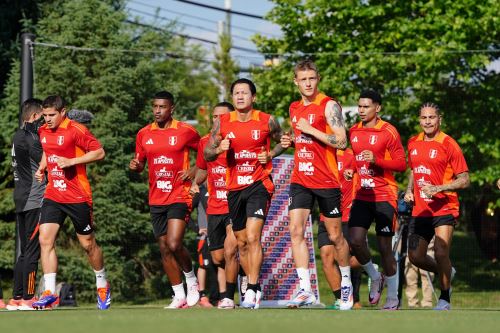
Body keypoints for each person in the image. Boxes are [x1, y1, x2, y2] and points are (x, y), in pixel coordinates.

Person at [204, 79, 284, 309]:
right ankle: (253, 288)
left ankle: (251, 288)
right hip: (234, 188)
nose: (240, 97)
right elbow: (208, 153)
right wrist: (219, 148)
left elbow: (284, 142)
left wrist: (270, 155)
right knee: (241, 242)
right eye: (236, 93)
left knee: (252, 236)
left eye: (244, 93)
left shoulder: (266, 120)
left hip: (259, 184)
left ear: (253, 97)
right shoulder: (223, 123)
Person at [280, 60, 353, 310]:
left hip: (327, 180)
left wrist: (311, 130)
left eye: (312, 78)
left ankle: (346, 284)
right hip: (300, 178)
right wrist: (292, 140)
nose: (308, 83)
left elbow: (342, 142)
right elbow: (302, 140)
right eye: (303, 79)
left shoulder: (329, 105)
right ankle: (305, 290)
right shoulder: (293, 108)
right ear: (296, 82)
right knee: (296, 230)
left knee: (335, 236)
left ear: (318, 79)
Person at [33, 95, 110, 310]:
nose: (47, 119)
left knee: (88, 245)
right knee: (45, 239)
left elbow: (99, 152)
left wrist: (72, 161)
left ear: (63, 112)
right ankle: (49, 292)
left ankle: (102, 284)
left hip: (78, 196)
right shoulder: (43, 131)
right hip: (53, 194)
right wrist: (42, 168)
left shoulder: (76, 130)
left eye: (51, 115)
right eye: (45, 115)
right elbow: (49, 153)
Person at [129, 91, 201, 309]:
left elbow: (206, 154)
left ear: (172, 109)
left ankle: (192, 280)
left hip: (180, 194)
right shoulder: (143, 134)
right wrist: (136, 166)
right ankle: (178, 294)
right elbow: (140, 162)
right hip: (156, 197)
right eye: (155, 107)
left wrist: (194, 170)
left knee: (174, 242)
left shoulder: (185, 131)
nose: (157, 111)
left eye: (162, 107)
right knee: (164, 248)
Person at [404, 102, 469, 311]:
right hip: (421, 209)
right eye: (424, 118)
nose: (428, 121)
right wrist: (408, 190)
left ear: (439, 119)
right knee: (415, 257)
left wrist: (440, 188)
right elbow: (414, 170)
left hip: (445, 207)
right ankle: (447, 272)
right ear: (419, 120)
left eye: (432, 117)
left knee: (441, 253)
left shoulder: (449, 143)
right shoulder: (413, 142)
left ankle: (444, 299)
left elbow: (465, 179)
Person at [347, 89, 406, 310]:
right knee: (354, 240)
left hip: (384, 195)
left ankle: (392, 297)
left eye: (366, 106)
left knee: (384, 247)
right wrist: (350, 170)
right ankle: (375, 276)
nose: (361, 110)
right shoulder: (353, 131)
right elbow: (356, 159)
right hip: (362, 194)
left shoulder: (388, 131)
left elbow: (401, 164)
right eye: (359, 106)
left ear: (377, 108)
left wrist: (378, 159)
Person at [192, 102, 243, 309]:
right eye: (214, 117)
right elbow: (202, 169)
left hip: (234, 203)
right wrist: (195, 183)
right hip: (214, 206)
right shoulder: (205, 141)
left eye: (220, 117)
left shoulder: (240, 138)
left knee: (232, 250)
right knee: (218, 257)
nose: (216, 121)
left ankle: (238, 293)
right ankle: (230, 290)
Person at [6, 99, 45, 311]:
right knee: (32, 251)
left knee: (24, 251)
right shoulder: (30, 138)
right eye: (42, 118)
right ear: (32, 117)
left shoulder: (17, 136)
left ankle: (16, 298)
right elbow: (46, 162)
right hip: (33, 199)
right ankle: (28, 298)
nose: (45, 122)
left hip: (21, 198)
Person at [317, 148, 363, 310]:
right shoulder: (319, 153)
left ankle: (370, 266)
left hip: (346, 215)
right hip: (325, 215)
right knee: (326, 259)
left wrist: (355, 174)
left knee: (346, 259)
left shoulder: (351, 154)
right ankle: (341, 299)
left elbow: (366, 173)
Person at [405, 237, 435, 308]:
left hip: (428, 239)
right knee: (410, 275)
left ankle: (427, 303)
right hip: (412, 237)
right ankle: (412, 303)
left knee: (427, 275)